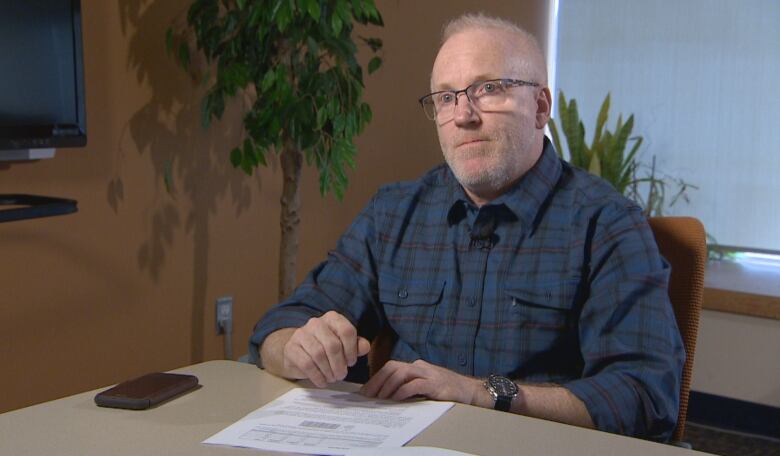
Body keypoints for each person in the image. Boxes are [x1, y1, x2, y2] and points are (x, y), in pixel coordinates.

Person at [249, 13, 684, 441]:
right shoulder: (394, 213)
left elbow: (644, 396)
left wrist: (481, 393)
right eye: (445, 97)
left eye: (488, 89)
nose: (463, 115)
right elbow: (280, 327)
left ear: (540, 107)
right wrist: (295, 347)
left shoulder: (606, 224)